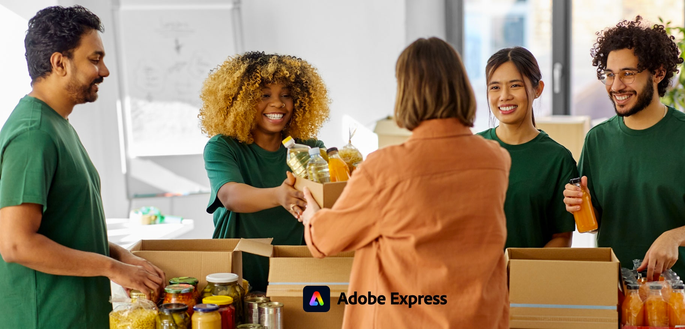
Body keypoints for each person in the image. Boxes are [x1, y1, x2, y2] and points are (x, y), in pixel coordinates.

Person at [299, 37, 511, 328]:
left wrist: (312, 215)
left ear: (407, 92)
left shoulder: (385, 169)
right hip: (479, 318)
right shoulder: (496, 161)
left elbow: (327, 240)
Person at [563, 16, 685, 329]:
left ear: (657, 73)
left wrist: (675, 236)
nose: (616, 86)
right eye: (610, 75)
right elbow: (592, 222)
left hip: (680, 303)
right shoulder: (598, 139)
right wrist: (576, 204)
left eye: (628, 74)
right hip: (618, 300)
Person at [0, 5, 166, 328]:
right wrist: (114, 269)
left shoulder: (57, 124)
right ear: (59, 63)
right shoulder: (32, 133)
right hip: (46, 319)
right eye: (94, 59)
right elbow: (17, 244)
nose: (104, 71)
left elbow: (66, 228)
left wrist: (118, 255)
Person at [200, 51, 330, 293]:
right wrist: (278, 196)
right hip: (237, 272)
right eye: (264, 95)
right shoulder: (223, 147)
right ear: (241, 101)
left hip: (295, 267)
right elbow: (230, 196)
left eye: (287, 95)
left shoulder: (311, 150)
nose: (278, 103)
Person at [476, 47, 577, 248]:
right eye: (495, 87)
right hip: (477, 277)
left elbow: (562, 238)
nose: (504, 96)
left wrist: (523, 273)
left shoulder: (558, 159)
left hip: (532, 277)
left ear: (538, 89)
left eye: (515, 85)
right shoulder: (472, 150)